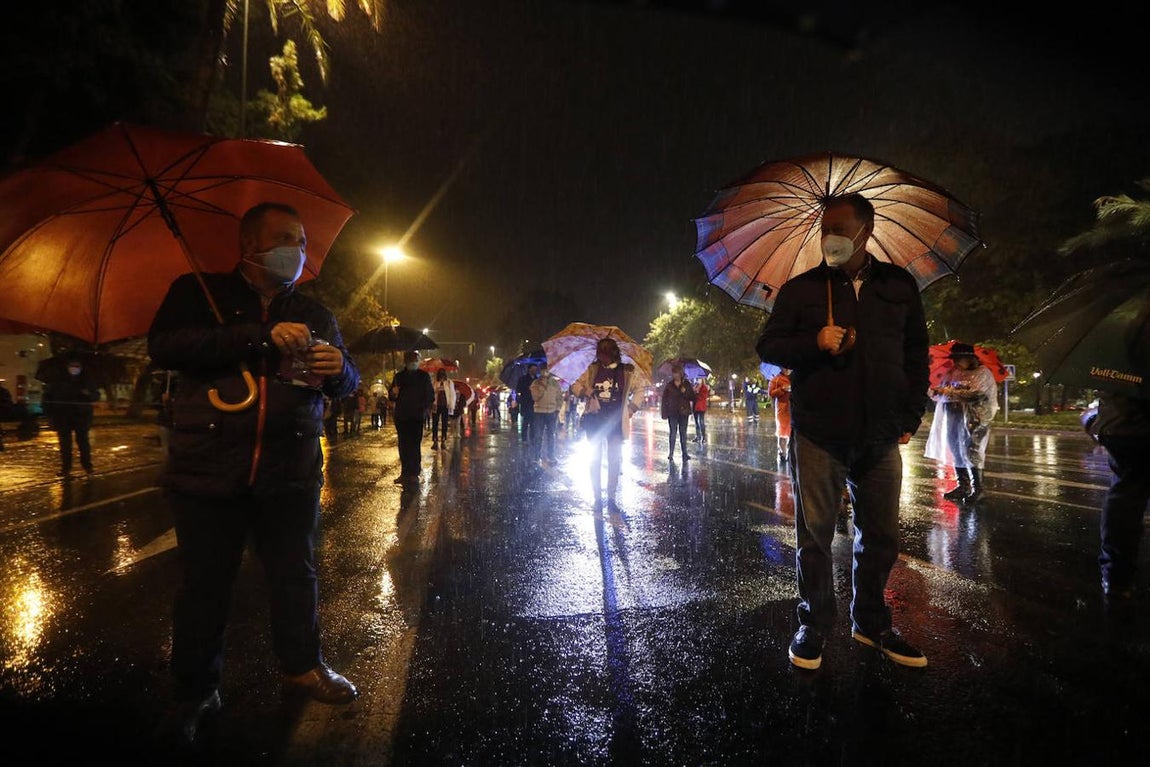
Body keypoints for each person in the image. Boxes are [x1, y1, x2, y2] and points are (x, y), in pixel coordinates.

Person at [147, 202, 361, 745]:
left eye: (303, 241)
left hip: (290, 470)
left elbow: (346, 380)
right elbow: (165, 346)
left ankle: (303, 665)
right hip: (207, 468)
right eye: (286, 237)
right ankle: (195, 691)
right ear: (250, 245)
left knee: (295, 575)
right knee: (204, 586)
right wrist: (258, 335)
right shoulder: (198, 293)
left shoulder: (315, 311)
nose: (298, 249)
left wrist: (340, 369)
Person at [756, 192, 931, 671]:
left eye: (838, 228)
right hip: (819, 433)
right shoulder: (802, 289)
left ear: (865, 230)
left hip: (880, 436)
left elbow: (916, 353)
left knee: (881, 537)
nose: (829, 237)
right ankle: (813, 625)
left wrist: (910, 416)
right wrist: (813, 342)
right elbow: (768, 346)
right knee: (814, 538)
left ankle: (871, 623)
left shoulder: (898, 285)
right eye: (824, 229)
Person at [1088, 392, 1150, 601]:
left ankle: (1117, 577)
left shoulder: (1116, 371)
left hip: (1118, 424)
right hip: (1138, 423)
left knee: (1124, 495)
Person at [570, 337, 644, 507]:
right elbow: (575, 385)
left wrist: (632, 408)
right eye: (599, 353)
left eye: (604, 354)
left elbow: (640, 389)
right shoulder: (592, 369)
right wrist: (585, 391)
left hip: (616, 421)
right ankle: (597, 497)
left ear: (613, 353)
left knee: (614, 460)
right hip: (595, 420)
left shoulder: (627, 371)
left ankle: (611, 497)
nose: (601, 357)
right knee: (595, 459)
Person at [924, 343, 999, 504]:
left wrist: (950, 392)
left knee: (972, 451)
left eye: (959, 359)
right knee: (956, 450)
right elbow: (943, 391)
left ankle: (978, 489)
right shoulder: (953, 372)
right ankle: (963, 486)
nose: (955, 362)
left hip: (975, 418)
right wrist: (938, 391)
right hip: (954, 416)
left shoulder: (983, 373)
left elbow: (976, 394)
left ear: (970, 358)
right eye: (954, 359)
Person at [42, 355, 99, 478]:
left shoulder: (87, 379)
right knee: (65, 444)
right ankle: (66, 468)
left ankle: (87, 466)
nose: (74, 368)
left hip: (81, 416)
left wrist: (88, 394)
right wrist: (49, 414)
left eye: (77, 366)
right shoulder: (58, 380)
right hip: (63, 416)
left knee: (83, 442)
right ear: (67, 367)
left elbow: (95, 395)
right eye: (72, 366)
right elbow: (48, 397)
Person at [389, 350, 435, 482]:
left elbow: (430, 396)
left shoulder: (423, 376)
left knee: (414, 445)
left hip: (416, 416)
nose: (413, 363)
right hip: (401, 416)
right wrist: (393, 392)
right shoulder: (398, 377)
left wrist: (424, 408)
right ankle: (405, 472)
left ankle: (414, 473)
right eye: (411, 361)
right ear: (406, 362)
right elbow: (391, 396)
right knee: (403, 445)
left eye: (415, 361)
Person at [530, 360, 563, 463]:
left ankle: (551, 456)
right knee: (538, 436)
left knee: (551, 435)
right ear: (540, 371)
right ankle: (536, 457)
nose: (545, 372)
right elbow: (535, 397)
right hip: (539, 412)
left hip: (552, 413)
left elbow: (559, 397)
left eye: (547, 370)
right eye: (543, 370)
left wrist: (557, 409)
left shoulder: (555, 383)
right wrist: (542, 385)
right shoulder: (536, 383)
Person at [660, 363, 695, 462]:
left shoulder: (686, 384)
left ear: (680, 373)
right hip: (672, 413)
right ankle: (671, 453)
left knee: (683, 434)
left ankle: (685, 453)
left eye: (677, 373)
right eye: (673, 373)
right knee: (673, 433)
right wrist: (664, 413)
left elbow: (693, 397)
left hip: (684, 413)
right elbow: (664, 400)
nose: (675, 375)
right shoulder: (669, 385)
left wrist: (685, 392)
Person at [768, 369, 793, 464]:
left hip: (794, 408)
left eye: (789, 368)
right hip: (782, 409)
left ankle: (791, 454)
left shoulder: (795, 378)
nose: (787, 370)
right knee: (782, 432)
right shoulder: (776, 379)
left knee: (793, 432)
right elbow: (771, 393)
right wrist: (782, 389)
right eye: (784, 367)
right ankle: (782, 453)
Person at [430, 368, 457, 449]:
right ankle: (435, 441)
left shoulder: (449, 383)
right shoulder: (434, 383)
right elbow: (431, 393)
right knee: (435, 424)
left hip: (445, 406)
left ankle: (443, 440)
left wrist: (451, 405)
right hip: (436, 405)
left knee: (444, 424)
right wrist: (436, 390)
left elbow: (452, 394)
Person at [515, 363, 538, 444]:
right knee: (525, 422)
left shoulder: (537, 380)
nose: (534, 371)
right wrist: (527, 389)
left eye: (535, 369)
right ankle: (524, 438)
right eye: (533, 369)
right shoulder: (523, 379)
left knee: (533, 423)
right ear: (529, 369)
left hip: (535, 404)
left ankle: (532, 438)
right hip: (526, 403)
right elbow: (518, 389)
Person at [691, 377, 710, 443]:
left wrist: (697, 392)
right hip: (695, 406)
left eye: (699, 379)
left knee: (701, 421)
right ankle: (698, 436)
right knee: (696, 422)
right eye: (697, 379)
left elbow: (703, 397)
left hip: (701, 406)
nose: (698, 380)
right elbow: (692, 396)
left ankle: (703, 437)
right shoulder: (695, 386)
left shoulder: (704, 387)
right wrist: (694, 391)